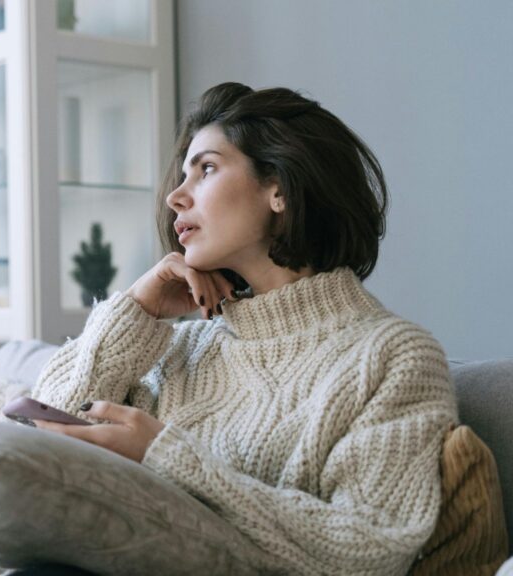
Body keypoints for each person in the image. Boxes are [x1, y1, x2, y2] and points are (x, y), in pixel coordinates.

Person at [30, 82, 457, 575]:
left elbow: (368, 550)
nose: (174, 196)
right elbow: (30, 451)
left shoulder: (393, 356)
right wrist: (137, 310)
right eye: (183, 173)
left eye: (206, 168)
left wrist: (167, 456)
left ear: (279, 188)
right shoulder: (181, 347)